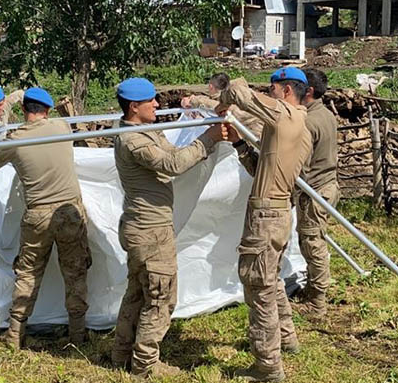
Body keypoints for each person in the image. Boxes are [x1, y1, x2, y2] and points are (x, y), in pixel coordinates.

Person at [0, 87, 91, 348]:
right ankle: (78, 335)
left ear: (23, 110)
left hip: (37, 215)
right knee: (75, 272)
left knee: (27, 274)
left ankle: (15, 334)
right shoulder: (62, 127)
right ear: (48, 110)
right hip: (69, 212)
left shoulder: (14, 141)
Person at [112, 77, 226, 378]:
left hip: (144, 228)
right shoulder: (133, 140)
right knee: (161, 297)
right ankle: (145, 364)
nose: (157, 104)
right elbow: (172, 165)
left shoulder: (145, 131)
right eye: (151, 101)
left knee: (137, 292)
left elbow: (176, 151)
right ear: (134, 106)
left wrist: (206, 135)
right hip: (150, 231)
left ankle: (121, 353)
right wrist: (210, 138)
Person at [216, 67, 312, 382]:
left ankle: (268, 368)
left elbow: (241, 93)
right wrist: (241, 144)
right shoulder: (304, 129)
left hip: (266, 215)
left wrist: (222, 102)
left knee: (258, 289)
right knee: (270, 280)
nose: (269, 95)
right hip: (280, 211)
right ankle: (287, 338)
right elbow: (266, 168)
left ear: (285, 91)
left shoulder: (284, 115)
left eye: (271, 89)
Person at [292, 69, 338, 321]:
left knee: (312, 243)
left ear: (308, 92)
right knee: (315, 239)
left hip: (315, 190)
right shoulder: (325, 113)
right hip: (327, 185)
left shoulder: (308, 122)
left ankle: (317, 303)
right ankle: (313, 290)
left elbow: (301, 165)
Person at [181, 72, 263, 138]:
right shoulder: (241, 93)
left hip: (256, 142)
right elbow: (213, 100)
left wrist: (193, 101)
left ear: (210, 86)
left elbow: (218, 106)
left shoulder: (232, 103)